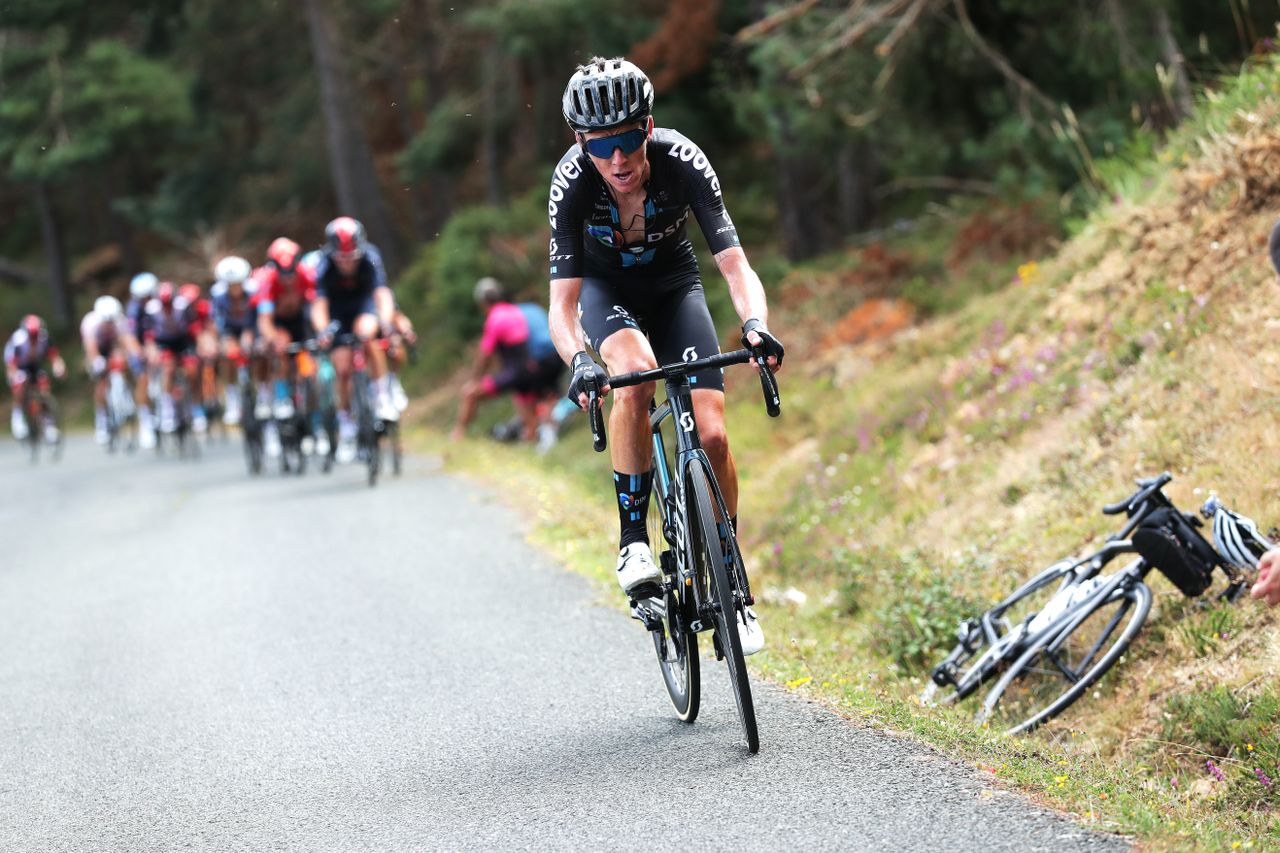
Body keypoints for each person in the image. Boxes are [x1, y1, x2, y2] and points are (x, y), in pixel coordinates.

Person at [545, 57, 784, 654]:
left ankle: (730, 577)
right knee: (632, 378)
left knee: (715, 437)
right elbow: (562, 305)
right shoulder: (572, 182)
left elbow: (734, 263)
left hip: (676, 284)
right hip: (606, 292)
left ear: (647, 127)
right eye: (602, 147)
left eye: (628, 140)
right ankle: (633, 542)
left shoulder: (683, 161)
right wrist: (578, 359)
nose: (618, 160)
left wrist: (754, 323)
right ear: (582, 143)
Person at [310, 216, 399, 463]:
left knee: (367, 335)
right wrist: (323, 330)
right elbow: (319, 305)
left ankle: (382, 397)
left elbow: (382, 294)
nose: (348, 263)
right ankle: (346, 423)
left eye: (352, 257)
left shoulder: (371, 255)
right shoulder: (323, 263)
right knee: (343, 369)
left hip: (363, 305)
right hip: (337, 312)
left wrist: (386, 321)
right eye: (342, 258)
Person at [451, 277, 566, 445]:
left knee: (471, 394)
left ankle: (458, 435)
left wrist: (475, 381)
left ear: (483, 303)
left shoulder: (496, 317)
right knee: (529, 401)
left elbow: (485, 355)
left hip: (520, 372)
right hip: (547, 361)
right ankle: (536, 439)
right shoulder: (518, 311)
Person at [79, 295, 136, 444]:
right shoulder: (90, 322)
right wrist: (97, 361)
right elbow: (90, 346)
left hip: (112, 347)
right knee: (101, 382)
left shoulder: (120, 321)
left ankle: (125, 397)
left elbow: (126, 341)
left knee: (122, 365)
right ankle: (102, 419)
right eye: (107, 321)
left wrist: (132, 354)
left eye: (112, 320)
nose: (110, 323)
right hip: (97, 349)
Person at [211, 255, 258, 425]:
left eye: (238, 284)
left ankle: (261, 393)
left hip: (251, 326)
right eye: (231, 285)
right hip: (230, 329)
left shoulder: (254, 290)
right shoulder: (218, 294)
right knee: (229, 354)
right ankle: (232, 397)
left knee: (258, 351)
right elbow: (217, 321)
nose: (235, 289)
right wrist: (220, 341)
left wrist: (251, 333)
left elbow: (260, 315)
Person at [5, 314, 67, 441]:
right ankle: (18, 418)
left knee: (44, 389)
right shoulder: (18, 340)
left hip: (34, 365)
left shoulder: (44, 338)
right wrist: (15, 377)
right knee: (20, 386)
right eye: (31, 335)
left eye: (36, 335)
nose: (34, 338)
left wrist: (59, 368)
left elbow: (55, 357)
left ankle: (49, 425)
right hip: (18, 366)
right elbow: (11, 366)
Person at [125, 272, 159, 448]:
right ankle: (145, 421)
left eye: (149, 296)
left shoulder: (162, 302)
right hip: (140, 345)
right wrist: (139, 352)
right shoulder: (133, 309)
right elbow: (130, 336)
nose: (146, 300)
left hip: (159, 343)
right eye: (142, 298)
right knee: (143, 378)